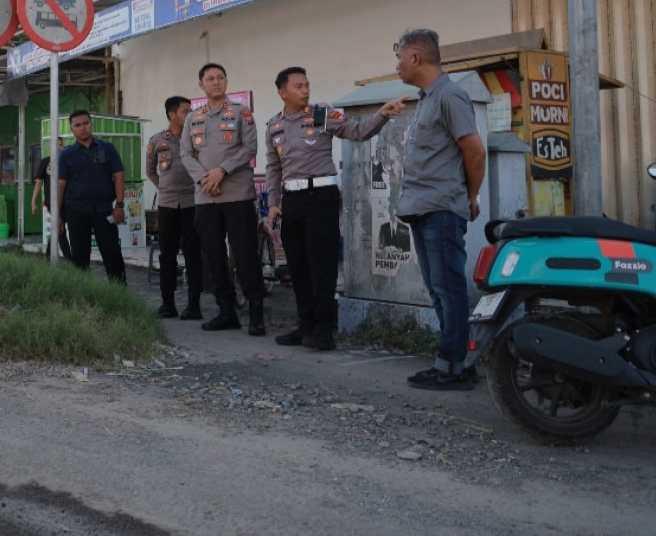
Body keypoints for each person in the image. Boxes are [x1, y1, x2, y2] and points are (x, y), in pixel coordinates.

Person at [265, 67, 408, 351]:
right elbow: (272, 167)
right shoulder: (273, 125)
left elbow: (357, 131)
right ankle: (305, 324)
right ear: (283, 92)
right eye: (298, 86)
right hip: (291, 200)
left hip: (321, 196)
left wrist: (381, 114)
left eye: (307, 84)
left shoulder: (322, 113)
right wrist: (272, 203)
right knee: (298, 264)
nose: (305, 90)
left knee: (322, 263)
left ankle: (322, 330)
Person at [394, 28, 486, 390]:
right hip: (422, 207)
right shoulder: (426, 98)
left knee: (449, 288)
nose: (397, 64)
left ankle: (452, 366)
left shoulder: (450, 96)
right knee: (438, 288)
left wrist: (471, 197)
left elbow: (475, 152)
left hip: (442, 208)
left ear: (416, 57)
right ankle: (454, 359)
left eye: (400, 56)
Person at [181, 62, 265, 334]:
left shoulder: (243, 113)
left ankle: (255, 314)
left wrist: (222, 171)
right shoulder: (193, 118)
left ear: (226, 82)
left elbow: (249, 147)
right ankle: (226, 311)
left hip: (237, 195)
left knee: (245, 254)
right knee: (213, 256)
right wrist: (205, 178)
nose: (216, 82)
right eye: (210, 79)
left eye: (220, 78)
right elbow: (185, 155)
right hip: (206, 197)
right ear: (201, 85)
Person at [146, 96, 204, 319]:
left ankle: (194, 306)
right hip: (168, 205)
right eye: (185, 111)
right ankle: (168, 304)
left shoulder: (197, 140)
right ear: (172, 115)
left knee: (193, 254)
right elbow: (150, 170)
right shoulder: (157, 141)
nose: (190, 114)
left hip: (192, 202)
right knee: (167, 255)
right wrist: (164, 188)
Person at [58, 110, 128, 283]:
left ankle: (119, 297)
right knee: (80, 259)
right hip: (76, 210)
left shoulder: (107, 148)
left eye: (86, 123)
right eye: (78, 125)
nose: (83, 128)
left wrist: (119, 205)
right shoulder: (66, 154)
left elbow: (118, 176)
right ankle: (83, 302)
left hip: (104, 210)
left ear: (91, 124)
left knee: (113, 255)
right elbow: (61, 185)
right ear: (72, 129)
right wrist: (58, 215)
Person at [30, 137, 72, 260]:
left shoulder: (67, 162)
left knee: (57, 228)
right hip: (52, 201)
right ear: (51, 148)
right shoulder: (45, 162)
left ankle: (48, 257)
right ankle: (70, 261)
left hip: (68, 200)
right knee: (60, 229)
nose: (59, 147)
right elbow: (38, 183)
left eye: (61, 145)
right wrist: (33, 202)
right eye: (57, 145)